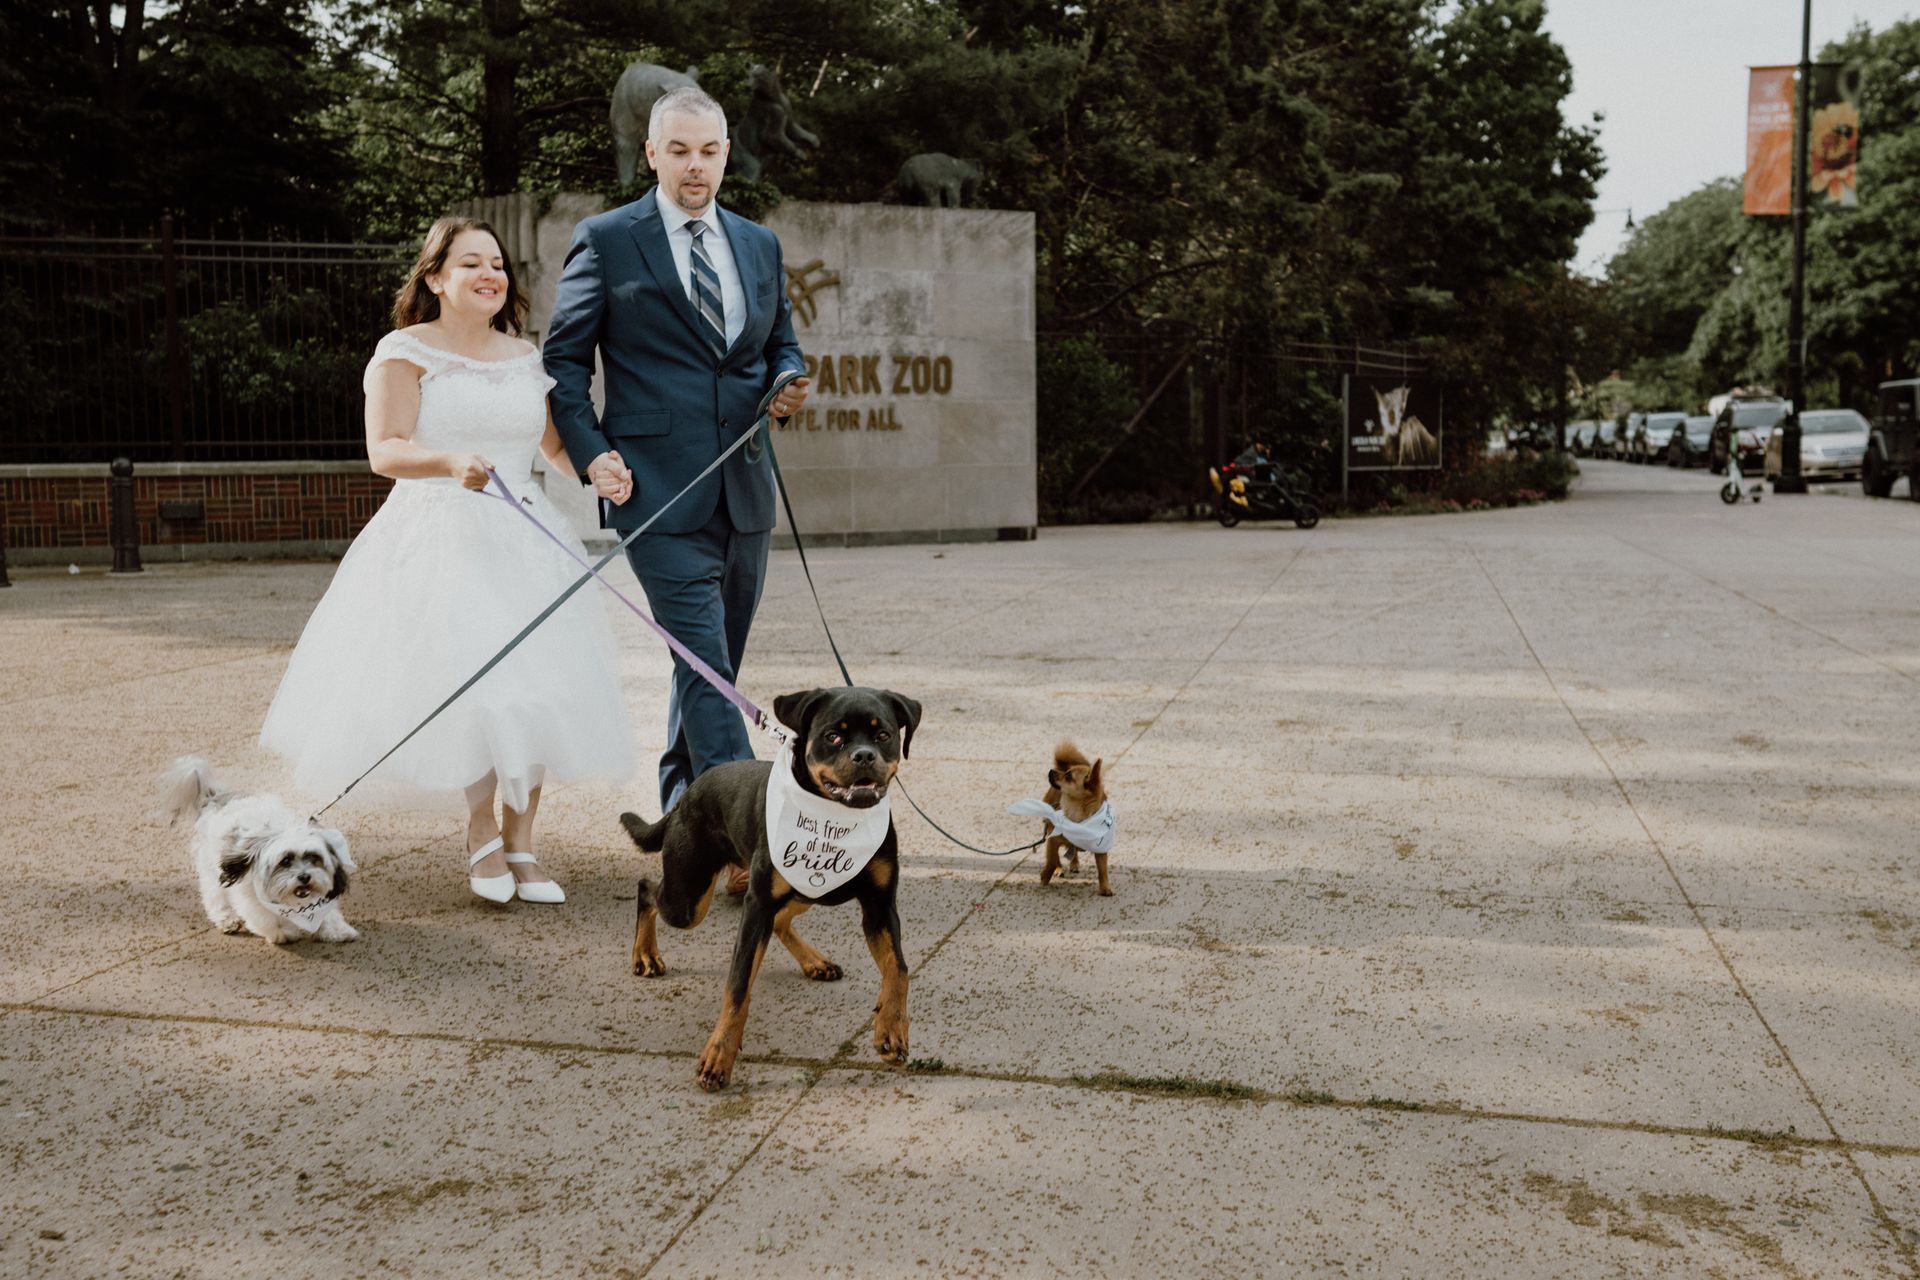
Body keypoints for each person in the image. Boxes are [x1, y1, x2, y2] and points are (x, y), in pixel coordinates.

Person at [261, 216, 635, 906]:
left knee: (540, 685)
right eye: (471, 264)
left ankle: (524, 841)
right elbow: (386, 450)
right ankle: (479, 834)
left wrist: (598, 468)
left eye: (496, 263)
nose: (490, 274)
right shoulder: (405, 351)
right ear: (435, 277)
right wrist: (449, 461)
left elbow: (552, 449)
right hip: (439, 535)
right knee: (479, 689)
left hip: (525, 538)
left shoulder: (524, 357)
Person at [544, 85, 811, 888]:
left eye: (710, 151)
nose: (696, 167)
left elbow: (781, 344)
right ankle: (750, 845)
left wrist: (791, 379)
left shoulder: (758, 244)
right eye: (680, 151)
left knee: (707, 662)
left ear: (727, 153)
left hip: (747, 487)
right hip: (652, 490)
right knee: (705, 665)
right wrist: (593, 453)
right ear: (652, 153)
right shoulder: (607, 240)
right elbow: (562, 362)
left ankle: (679, 809)